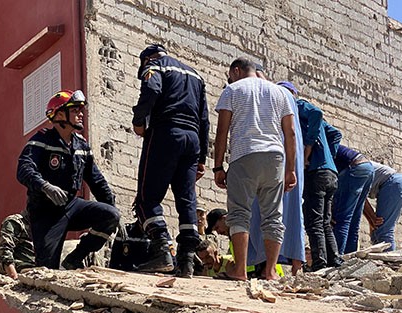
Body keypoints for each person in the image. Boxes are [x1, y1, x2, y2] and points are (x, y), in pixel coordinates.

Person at [212, 58, 297, 281]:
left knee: (240, 212)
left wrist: (218, 166)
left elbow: (222, 131)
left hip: (245, 154)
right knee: (273, 216)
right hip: (275, 157)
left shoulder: (232, 90)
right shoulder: (279, 93)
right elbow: (290, 133)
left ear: (237, 71)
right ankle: (270, 271)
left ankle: (240, 270)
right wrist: (290, 169)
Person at [130, 44, 210, 276]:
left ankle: (162, 250)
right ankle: (186, 261)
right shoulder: (196, 76)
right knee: (187, 200)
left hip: (165, 133)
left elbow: (152, 90)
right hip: (192, 140)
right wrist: (202, 157)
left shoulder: (154, 67)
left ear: (146, 60)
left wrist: (139, 120)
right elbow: (204, 119)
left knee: (147, 197)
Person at [17, 90, 119, 269]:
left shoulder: (82, 145)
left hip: (72, 206)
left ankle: (75, 258)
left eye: (81, 110)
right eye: (75, 110)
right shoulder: (41, 140)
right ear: (60, 114)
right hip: (45, 213)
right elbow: (24, 169)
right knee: (47, 269)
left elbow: (97, 181)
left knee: (110, 215)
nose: (81, 114)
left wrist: (114, 211)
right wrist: (45, 186)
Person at [280, 83, 343, 271]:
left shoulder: (297, 106)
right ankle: (334, 260)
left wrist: (308, 150)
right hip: (330, 172)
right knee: (324, 221)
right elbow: (336, 134)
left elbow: (317, 112)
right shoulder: (312, 124)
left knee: (313, 221)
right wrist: (329, 156)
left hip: (316, 172)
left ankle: (319, 263)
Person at [247, 81, 307, 275]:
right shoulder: (293, 111)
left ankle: (266, 266)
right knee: (289, 212)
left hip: (273, 161)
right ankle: (291, 266)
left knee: (265, 210)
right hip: (288, 166)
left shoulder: (279, 101)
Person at [333, 145, 375, 254]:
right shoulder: (326, 141)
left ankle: (337, 259)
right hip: (368, 167)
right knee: (354, 220)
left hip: (353, 167)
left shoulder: (311, 147)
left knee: (342, 219)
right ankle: (349, 258)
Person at [363, 162, 402, 251]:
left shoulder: (346, 171)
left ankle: (388, 262)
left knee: (383, 232)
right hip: (398, 184)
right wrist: (372, 220)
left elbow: (360, 197)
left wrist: (372, 218)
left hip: (392, 184)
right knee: (377, 232)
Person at [0, 210, 35, 279]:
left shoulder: (45, 227)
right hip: (22, 274)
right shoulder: (15, 222)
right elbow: (5, 250)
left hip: (41, 275)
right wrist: (14, 278)